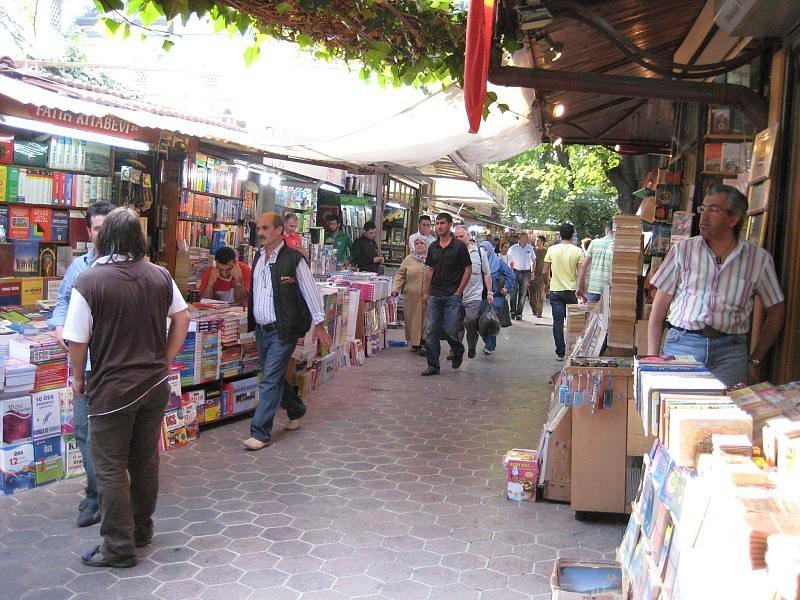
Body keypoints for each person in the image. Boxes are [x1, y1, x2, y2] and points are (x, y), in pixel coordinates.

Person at [63, 207, 190, 568]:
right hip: (154, 385)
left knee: (110, 468)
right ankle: (141, 530)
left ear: (104, 238)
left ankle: (119, 547)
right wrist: (165, 358)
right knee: (145, 461)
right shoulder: (159, 275)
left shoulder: (91, 280)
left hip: (113, 390)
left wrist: (78, 378)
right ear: (139, 238)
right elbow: (182, 318)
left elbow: (77, 340)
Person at [648, 184, 785, 387]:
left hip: (730, 352)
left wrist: (755, 360)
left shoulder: (757, 260)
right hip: (683, 344)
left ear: (733, 218)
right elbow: (658, 310)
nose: (703, 216)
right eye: (703, 208)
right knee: (676, 403)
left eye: (713, 210)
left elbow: (776, 311)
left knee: (728, 406)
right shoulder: (683, 251)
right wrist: (652, 360)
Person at [49, 199, 115, 528]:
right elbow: (62, 301)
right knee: (84, 432)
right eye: (97, 228)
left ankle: (110, 496)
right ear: (88, 231)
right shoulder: (78, 268)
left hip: (115, 366)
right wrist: (59, 326)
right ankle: (95, 494)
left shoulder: (126, 268)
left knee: (114, 435)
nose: (101, 234)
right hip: (85, 365)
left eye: (107, 228)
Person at [244, 212, 332, 450]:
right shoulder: (258, 257)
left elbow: (310, 291)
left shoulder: (294, 259)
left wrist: (319, 324)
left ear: (278, 230)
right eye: (258, 228)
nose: (260, 233)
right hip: (262, 329)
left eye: (265, 228)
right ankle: (296, 409)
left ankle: (260, 433)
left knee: (269, 378)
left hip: (283, 330)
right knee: (272, 376)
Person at [421, 212, 472, 376]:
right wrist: (426, 293)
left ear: (450, 225)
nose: (439, 226)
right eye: (437, 223)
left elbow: (468, 269)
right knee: (431, 331)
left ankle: (458, 350)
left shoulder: (459, 247)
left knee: (450, 330)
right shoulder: (433, 247)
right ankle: (433, 365)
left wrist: (459, 291)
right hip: (435, 294)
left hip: (452, 295)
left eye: (442, 223)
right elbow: (430, 270)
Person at [543, 223, 584, 360]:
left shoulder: (552, 249)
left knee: (558, 322)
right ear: (572, 235)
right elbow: (581, 273)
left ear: (560, 234)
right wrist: (581, 289)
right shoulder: (578, 251)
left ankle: (560, 352)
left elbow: (544, 271)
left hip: (556, 290)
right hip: (572, 291)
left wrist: (547, 284)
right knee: (574, 322)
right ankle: (573, 351)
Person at [454, 225, 493, 358]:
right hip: (456, 294)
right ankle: (456, 350)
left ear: (469, 236)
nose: (458, 239)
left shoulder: (480, 253)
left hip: (474, 294)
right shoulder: (452, 252)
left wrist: (489, 292)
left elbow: (487, 273)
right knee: (456, 323)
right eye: (456, 237)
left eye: (461, 236)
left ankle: (471, 345)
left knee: (470, 321)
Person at [391, 237, 429, 355]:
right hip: (412, 296)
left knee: (427, 320)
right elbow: (400, 275)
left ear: (426, 245)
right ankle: (415, 343)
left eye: (422, 243)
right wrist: (395, 289)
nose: (419, 245)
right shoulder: (408, 259)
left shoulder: (431, 258)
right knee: (413, 320)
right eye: (417, 244)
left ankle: (425, 342)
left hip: (427, 296)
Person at [478, 241, 515, 355]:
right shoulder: (477, 262)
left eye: (486, 249)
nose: (484, 252)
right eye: (481, 249)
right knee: (480, 321)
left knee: (490, 320)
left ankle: (490, 345)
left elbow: (510, 276)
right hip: (480, 296)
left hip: (495, 297)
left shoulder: (498, 262)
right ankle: (488, 342)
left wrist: (506, 287)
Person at [577, 220, 615, 303]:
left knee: (592, 311)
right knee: (607, 311)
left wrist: (580, 287)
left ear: (606, 230)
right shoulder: (618, 245)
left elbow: (583, 267)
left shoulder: (594, 243)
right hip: (610, 289)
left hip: (594, 288)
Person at [507, 232, 535, 320]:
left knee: (523, 294)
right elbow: (508, 259)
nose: (526, 240)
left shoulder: (530, 248)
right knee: (513, 293)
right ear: (520, 238)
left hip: (526, 273)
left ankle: (519, 313)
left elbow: (534, 261)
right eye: (524, 238)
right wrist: (510, 271)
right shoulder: (513, 248)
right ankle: (512, 312)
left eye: (527, 238)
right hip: (515, 272)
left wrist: (532, 272)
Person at [529, 235, 548, 318]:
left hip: (542, 275)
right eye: (536, 240)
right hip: (533, 274)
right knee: (532, 293)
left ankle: (539, 312)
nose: (536, 241)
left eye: (538, 240)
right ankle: (534, 309)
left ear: (542, 242)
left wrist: (548, 277)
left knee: (540, 295)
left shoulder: (546, 252)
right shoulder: (533, 250)